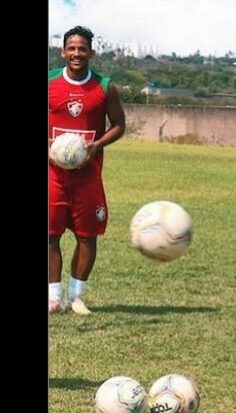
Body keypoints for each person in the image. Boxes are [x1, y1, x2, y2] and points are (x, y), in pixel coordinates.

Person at [48, 26, 126, 315]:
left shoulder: (105, 87)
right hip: (53, 174)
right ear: (63, 51)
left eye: (82, 49)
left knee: (87, 236)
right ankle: (53, 298)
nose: (77, 53)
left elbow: (119, 125)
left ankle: (76, 296)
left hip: (88, 176)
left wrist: (96, 146)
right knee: (50, 234)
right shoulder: (50, 83)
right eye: (72, 48)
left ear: (91, 52)